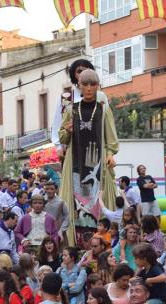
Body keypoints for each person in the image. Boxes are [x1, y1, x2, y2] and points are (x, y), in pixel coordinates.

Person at [58, 69, 119, 247]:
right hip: (75, 164)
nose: (89, 88)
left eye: (93, 84)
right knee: (76, 203)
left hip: (97, 166)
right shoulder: (71, 109)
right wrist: (67, 131)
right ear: (79, 86)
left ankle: (101, 242)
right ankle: (76, 244)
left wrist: (109, 154)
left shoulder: (103, 109)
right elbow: (62, 137)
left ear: (98, 86)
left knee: (97, 202)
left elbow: (111, 138)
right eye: (85, 84)